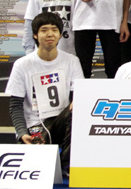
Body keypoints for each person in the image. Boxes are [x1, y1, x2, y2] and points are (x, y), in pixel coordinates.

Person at [5, 12, 84, 174]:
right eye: (44, 30)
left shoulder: (71, 61)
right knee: (37, 168)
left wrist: (77, 102)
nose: (50, 34)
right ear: (35, 35)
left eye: (54, 30)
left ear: (60, 35)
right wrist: (21, 133)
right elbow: (15, 105)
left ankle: (67, 164)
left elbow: (79, 95)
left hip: (62, 122)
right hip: (36, 125)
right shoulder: (22, 65)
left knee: (78, 111)